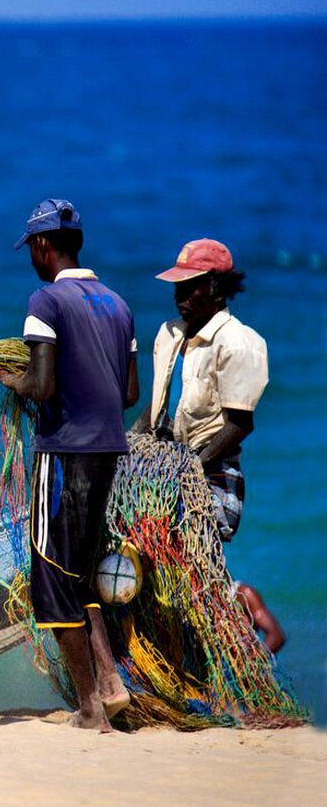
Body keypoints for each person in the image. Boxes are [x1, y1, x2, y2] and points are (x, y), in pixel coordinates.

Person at [0, 198, 138, 732]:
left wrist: (9, 381)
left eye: (32, 249)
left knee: (52, 578)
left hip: (64, 454)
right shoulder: (119, 305)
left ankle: (91, 711)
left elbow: (41, 386)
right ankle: (111, 686)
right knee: (80, 573)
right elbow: (130, 393)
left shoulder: (45, 303)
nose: (31, 258)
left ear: (43, 247)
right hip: (108, 453)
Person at [130, 238, 284, 651]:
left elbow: (239, 425)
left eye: (190, 287)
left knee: (180, 563)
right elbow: (159, 406)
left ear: (216, 288)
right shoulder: (169, 335)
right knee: (154, 566)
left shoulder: (238, 342)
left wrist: (188, 469)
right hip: (170, 472)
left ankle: (249, 609)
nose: (179, 296)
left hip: (214, 478)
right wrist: (128, 444)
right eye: (177, 287)